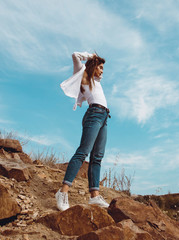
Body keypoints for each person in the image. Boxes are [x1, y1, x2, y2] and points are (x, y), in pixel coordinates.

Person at [56, 51, 110, 211]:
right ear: (93, 66)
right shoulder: (83, 75)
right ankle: (62, 192)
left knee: (97, 157)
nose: (102, 71)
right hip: (93, 115)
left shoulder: (96, 81)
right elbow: (74, 55)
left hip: (104, 116)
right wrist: (91, 56)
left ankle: (94, 196)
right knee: (82, 153)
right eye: (100, 67)